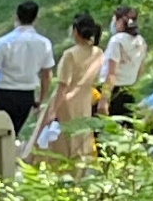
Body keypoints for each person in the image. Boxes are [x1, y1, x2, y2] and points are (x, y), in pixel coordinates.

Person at [0, 0, 55, 141]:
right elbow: (46, 74)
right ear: (36, 18)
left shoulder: (5, 42)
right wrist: (41, 99)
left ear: (16, 16)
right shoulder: (44, 43)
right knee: (13, 135)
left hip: (3, 93)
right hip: (26, 95)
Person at [33, 11, 105, 164]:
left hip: (65, 102)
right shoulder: (98, 53)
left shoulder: (70, 55)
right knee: (81, 138)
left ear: (75, 31)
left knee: (59, 142)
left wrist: (52, 111)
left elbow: (63, 86)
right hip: (84, 100)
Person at [102, 3, 152, 112]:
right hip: (128, 89)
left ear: (120, 22)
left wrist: (104, 99)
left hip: (113, 92)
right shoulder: (140, 41)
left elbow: (111, 73)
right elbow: (141, 69)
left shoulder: (116, 41)